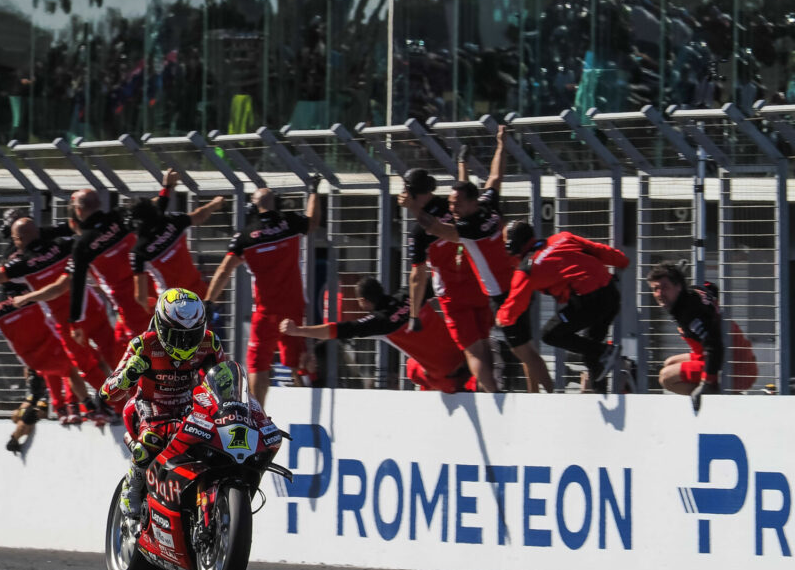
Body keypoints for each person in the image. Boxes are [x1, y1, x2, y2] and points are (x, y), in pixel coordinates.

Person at [404, 128, 553, 393]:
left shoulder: (468, 228)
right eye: (451, 203)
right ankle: (535, 396)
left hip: (492, 293)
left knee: (495, 352)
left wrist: (413, 208)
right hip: (511, 282)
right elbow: (495, 177)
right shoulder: (487, 205)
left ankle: (530, 398)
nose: (453, 208)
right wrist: (500, 146)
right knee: (521, 346)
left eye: (456, 205)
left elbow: (437, 231)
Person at [98, 288, 226, 518]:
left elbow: (222, 382)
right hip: (149, 407)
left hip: (188, 407)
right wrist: (127, 376)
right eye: (178, 336)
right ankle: (132, 486)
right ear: (161, 326)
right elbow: (106, 393)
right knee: (152, 437)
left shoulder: (210, 344)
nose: (185, 343)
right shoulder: (143, 345)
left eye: (192, 335)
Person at [0, 217, 116, 392]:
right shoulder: (60, 244)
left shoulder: (6, 294)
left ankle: (95, 406)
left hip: (49, 346)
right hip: (88, 308)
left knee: (79, 367)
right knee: (102, 357)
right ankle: (96, 404)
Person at [9, 188, 153, 380]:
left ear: (77, 212)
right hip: (152, 288)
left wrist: (75, 321)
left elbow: (74, 285)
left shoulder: (83, 244)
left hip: (129, 305)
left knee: (140, 357)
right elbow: (149, 207)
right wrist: (166, 189)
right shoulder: (120, 216)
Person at [205, 178, 322, 405]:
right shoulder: (289, 221)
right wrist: (313, 191)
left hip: (265, 311)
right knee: (298, 361)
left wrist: (209, 301)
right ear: (275, 204)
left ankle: (258, 414)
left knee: (258, 364)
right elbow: (314, 221)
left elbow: (223, 271)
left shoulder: (245, 237)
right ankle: (307, 399)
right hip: (294, 307)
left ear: (253, 207)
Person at [497, 220, 629, 392]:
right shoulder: (562, 238)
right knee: (592, 357)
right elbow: (598, 250)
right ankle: (599, 390)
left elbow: (514, 304)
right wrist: (622, 261)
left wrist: (501, 317)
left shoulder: (527, 269)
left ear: (511, 246)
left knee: (550, 335)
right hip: (610, 294)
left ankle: (607, 353)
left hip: (589, 303)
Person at [279, 277, 474, 393]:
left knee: (413, 371)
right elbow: (438, 280)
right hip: (465, 355)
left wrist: (298, 331)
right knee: (412, 367)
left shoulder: (381, 321)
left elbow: (337, 330)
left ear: (363, 301)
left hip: (447, 375)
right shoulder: (409, 294)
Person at [0, 282, 100, 426]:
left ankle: (66, 409)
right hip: (47, 348)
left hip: (33, 358)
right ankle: (83, 407)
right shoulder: (34, 291)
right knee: (69, 369)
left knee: (66, 370)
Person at [647, 262, 757, 410]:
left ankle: (716, 400)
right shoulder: (694, 292)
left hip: (735, 367)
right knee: (669, 362)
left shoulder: (690, 314)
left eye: (665, 287)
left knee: (666, 378)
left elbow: (714, 345)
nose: (660, 294)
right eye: (655, 289)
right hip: (737, 357)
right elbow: (711, 288)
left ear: (678, 286)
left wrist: (707, 382)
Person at [129, 168, 225, 308]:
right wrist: (214, 204)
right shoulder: (173, 221)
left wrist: (153, 305)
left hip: (172, 302)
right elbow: (199, 215)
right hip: (196, 291)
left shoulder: (138, 252)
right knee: (205, 329)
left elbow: (141, 297)